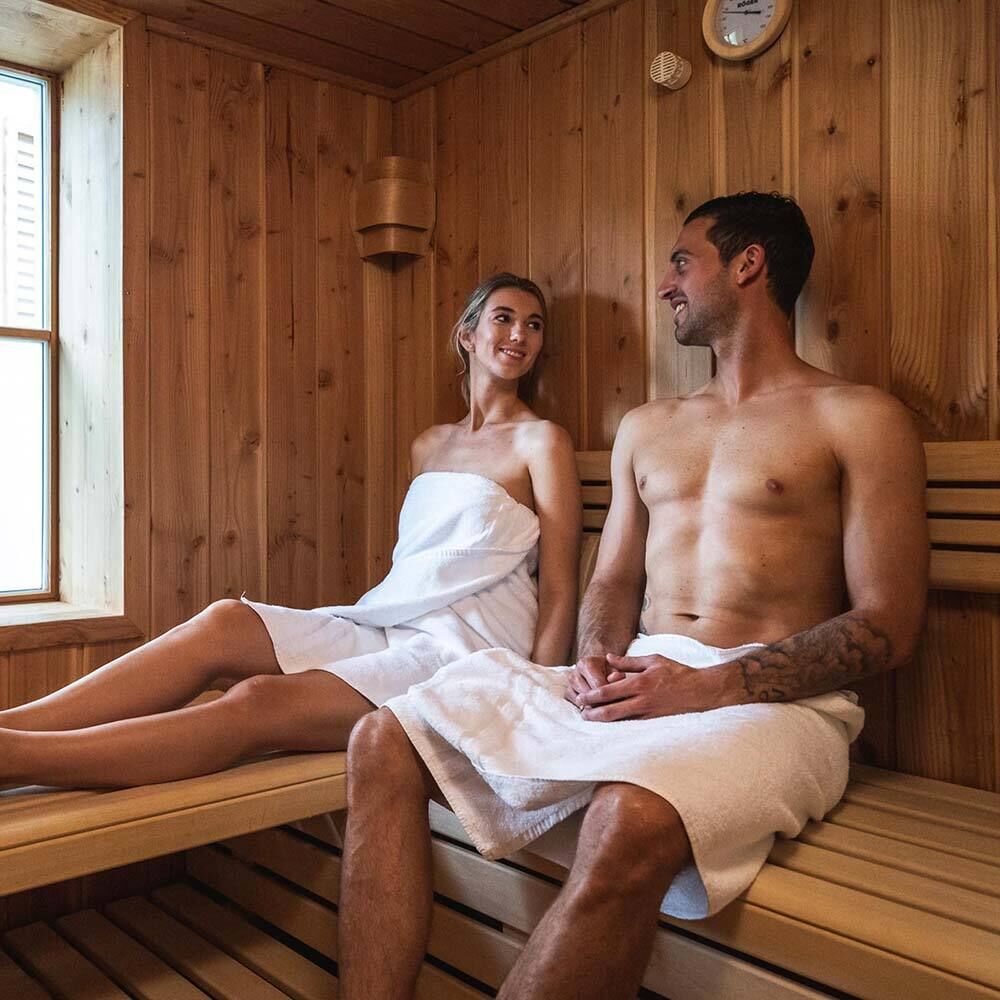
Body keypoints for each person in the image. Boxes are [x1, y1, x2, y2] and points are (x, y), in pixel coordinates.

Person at [337, 192, 929, 1000]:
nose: (663, 284)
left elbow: (889, 626)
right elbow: (612, 580)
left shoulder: (858, 417)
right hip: (640, 676)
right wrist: (592, 662)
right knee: (382, 738)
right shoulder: (649, 427)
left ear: (748, 264)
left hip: (776, 698)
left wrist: (709, 684)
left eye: (682, 262)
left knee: (627, 817)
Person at [0, 273, 580, 789]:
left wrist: (535, 691)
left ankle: (16, 758)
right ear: (468, 334)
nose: (520, 335)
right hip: (392, 622)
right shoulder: (429, 445)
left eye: (534, 326)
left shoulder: (541, 442)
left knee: (256, 699)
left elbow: (557, 587)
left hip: (468, 654)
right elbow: (421, 567)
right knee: (227, 621)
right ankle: (9, 728)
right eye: (504, 318)